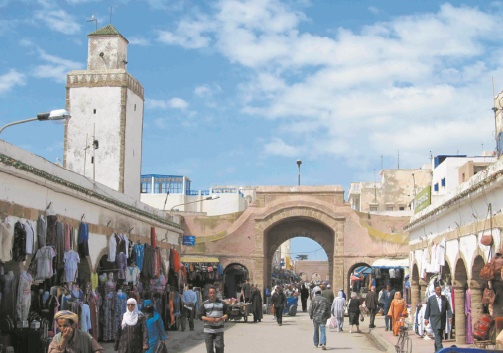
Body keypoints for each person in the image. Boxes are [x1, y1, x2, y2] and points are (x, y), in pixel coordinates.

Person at [199, 286, 229, 353]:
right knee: (209, 350)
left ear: (216, 293)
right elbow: (200, 316)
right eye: (210, 293)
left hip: (219, 330)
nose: (212, 294)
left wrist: (220, 318)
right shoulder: (204, 304)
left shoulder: (222, 304)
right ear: (208, 294)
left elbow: (227, 314)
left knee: (219, 348)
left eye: (213, 293)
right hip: (208, 330)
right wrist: (208, 319)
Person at [424, 286, 453, 352]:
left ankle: (436, 350)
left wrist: (450, 317)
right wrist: (426, 319)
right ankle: (440, 349)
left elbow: (448, 308)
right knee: (437, 334)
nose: (439, 291)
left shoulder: (444, 298)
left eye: (440, 290)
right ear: (435, 291)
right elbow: (428, 309)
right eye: (437, 290)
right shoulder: (431, 299)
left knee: (439, 335)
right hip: (434, 319)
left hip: (442, 320)